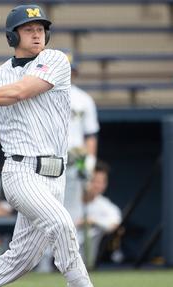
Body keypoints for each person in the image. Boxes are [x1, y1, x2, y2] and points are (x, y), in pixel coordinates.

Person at [0, 4, 100, 287]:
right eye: (28, 30)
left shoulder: (55, 60)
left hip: (57, 175)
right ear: (12, 37)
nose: (37, 34)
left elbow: (20, 91)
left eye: (40, 29)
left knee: (21, 259)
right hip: (21, 172)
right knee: (63, 224)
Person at [61, 49, 100, 231]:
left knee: (74, 214)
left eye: (71, 70)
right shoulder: (42, 95)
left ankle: (71, 259)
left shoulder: (83, 99)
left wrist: (90, 161)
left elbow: (90, 134)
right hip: (49, 161)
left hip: (76, 161)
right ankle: (45, 260)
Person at [75, 161, 121, 269]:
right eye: (94, 181)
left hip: (85, 263)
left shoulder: (106, 206)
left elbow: (115, 225)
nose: (98, 186)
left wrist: (93, 221)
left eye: (102, 182)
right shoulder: (68, 199)